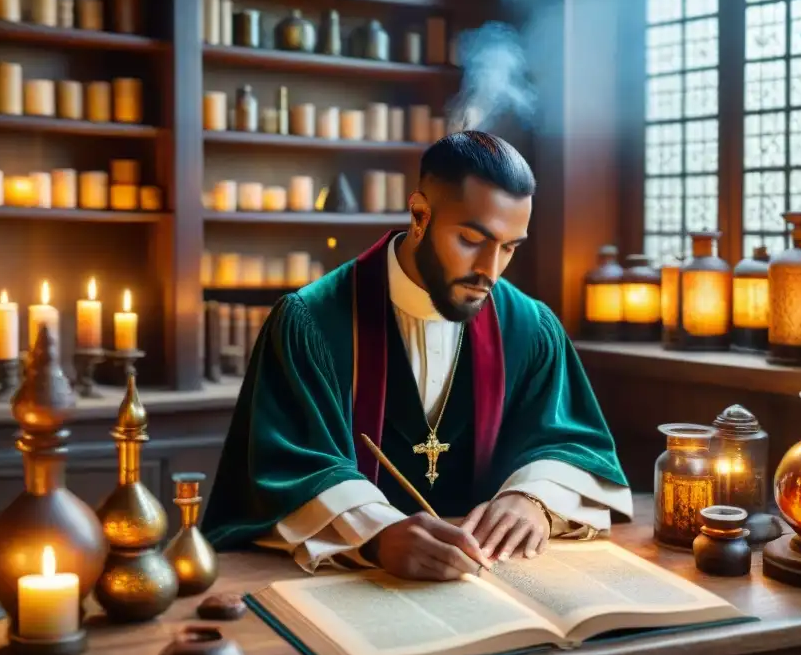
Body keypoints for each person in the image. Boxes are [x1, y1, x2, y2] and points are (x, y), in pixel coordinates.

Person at [202, 131, 633, 581]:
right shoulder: (310, 323)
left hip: (490, 582)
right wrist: (377, 533)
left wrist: (534, 498)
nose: (491, 269)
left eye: (509, 247)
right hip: (346, 587)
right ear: (420, 215)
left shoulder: (530, 327)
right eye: (471, 239)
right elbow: (286, 470)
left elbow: (570, 442)